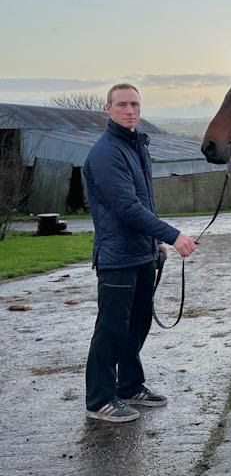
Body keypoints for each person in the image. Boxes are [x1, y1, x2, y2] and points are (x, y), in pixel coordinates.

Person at [83, 83, 197, 422]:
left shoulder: (136, 145)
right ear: (109, 109)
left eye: (134, 104)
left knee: (138, 325)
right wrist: (174, 235)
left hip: (143, 253)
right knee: (111, 329)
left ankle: (130, 385)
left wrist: (155, 242)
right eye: (122, 105)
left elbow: (145, 201)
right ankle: (99, 399)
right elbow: (127, 207)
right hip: (117, 257)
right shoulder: (105, 153)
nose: (129, 110)